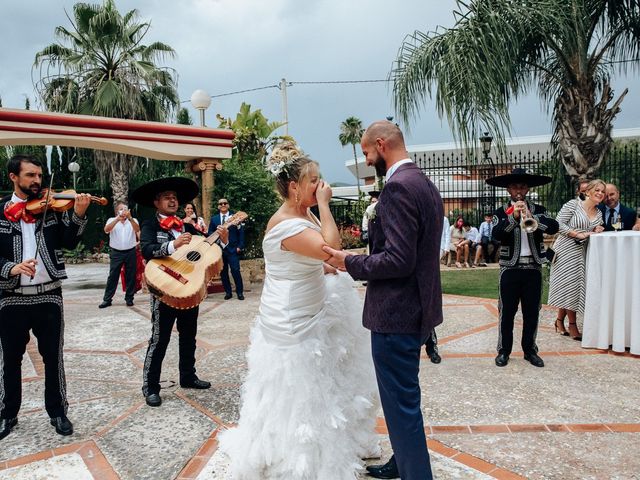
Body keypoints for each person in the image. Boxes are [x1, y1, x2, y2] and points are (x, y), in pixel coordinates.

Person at [218, 141, 379, 479]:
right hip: (292, 318)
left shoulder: (300, 215)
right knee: (300, 389)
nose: (320, 186)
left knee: (322, 383)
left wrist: (320, 265)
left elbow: (308, 260)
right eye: (313, 181)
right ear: (293, 187)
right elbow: (332, 247)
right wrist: (324, 206)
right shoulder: (286, 224)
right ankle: (296, 456)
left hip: (311, 306)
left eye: (319, 180)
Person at [323, 121, 443, 480]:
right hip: (418, 307)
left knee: (402, 403)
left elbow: (398, 259)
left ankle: (415, 474)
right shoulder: (423, 182)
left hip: (396, 313)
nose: (366, 158)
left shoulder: (398, 189)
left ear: (381, 144)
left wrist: (349, 261)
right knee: (400, 400)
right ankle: (403, 460)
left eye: (366, 152)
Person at [0, 154, 91, 440]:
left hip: (48, 294)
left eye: (40, 176)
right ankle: (7, 414)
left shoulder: (51, 210)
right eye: (30, 176)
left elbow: (70, 241)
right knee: (10, 360)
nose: (37, 181)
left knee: (54, 358)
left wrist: (78, 214)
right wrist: (11, 268)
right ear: (14, 177)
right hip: (10, 296)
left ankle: (58, 411)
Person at [132, 177, 227, 408]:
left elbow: (205, 251)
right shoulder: (150, 225)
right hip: (163, 290)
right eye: (167, 197)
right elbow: (146, 250)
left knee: (188, 335)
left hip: (188, 289)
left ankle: (188, 376)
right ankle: (151, 386)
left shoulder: (186, 227)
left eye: (175, 197)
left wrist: (222, 241)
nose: (173, 200)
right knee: (159, 339)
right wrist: (172, 246)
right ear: (156, 202)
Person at [488, 168, 559, 368]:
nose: (518, 190)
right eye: (514, 186)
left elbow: (554, 227)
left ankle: (530, 350)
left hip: (533, 267)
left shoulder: (539, 209)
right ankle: (504, 351)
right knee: (507, 312)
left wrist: (532, 218)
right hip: (510, 268)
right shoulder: (501, 212)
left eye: (522, 186)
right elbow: (497, 234)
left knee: (532, 312)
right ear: (508, 189)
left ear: (527, 189)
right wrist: (513, 217)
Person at [548, 180, 606, 339]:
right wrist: (577, 233)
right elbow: (557, 224)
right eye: (597, 190)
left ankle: (559, 321)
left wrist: (597, 228)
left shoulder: (599, 213)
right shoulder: (573, 205)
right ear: (588, 191)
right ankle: (572, 325)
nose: (600, 193)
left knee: (573, 287)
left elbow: (593, 229)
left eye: (603, 191)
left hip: (583, 251)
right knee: (570, 286)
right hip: (566, 249)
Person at [99, 201, 140, 308]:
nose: (123, 211)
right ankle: (107, 299)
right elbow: (106, 230)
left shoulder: (133, 220)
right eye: (121, 209)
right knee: (113, 275)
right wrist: (117, 219)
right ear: (117, 211)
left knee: (130, 275)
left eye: (125, 209)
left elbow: (137, 230)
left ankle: (129, 298)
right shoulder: (111, 220)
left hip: (130, 251)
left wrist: (130, 218)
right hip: (116, 252)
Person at [208, 198, 245, 300]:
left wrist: (240, 246)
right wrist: (216, 233)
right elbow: (210, 232)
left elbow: (241, 232)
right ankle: (228, 292)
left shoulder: (235, 217)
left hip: (233, 249)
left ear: (228, 205)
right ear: (218, 206)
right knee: (223, 272)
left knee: (235, 271)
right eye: (221, 203)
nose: (223, 204)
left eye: (225, 203)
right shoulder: (214, 219)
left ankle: (240, 292)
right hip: (220, 250)